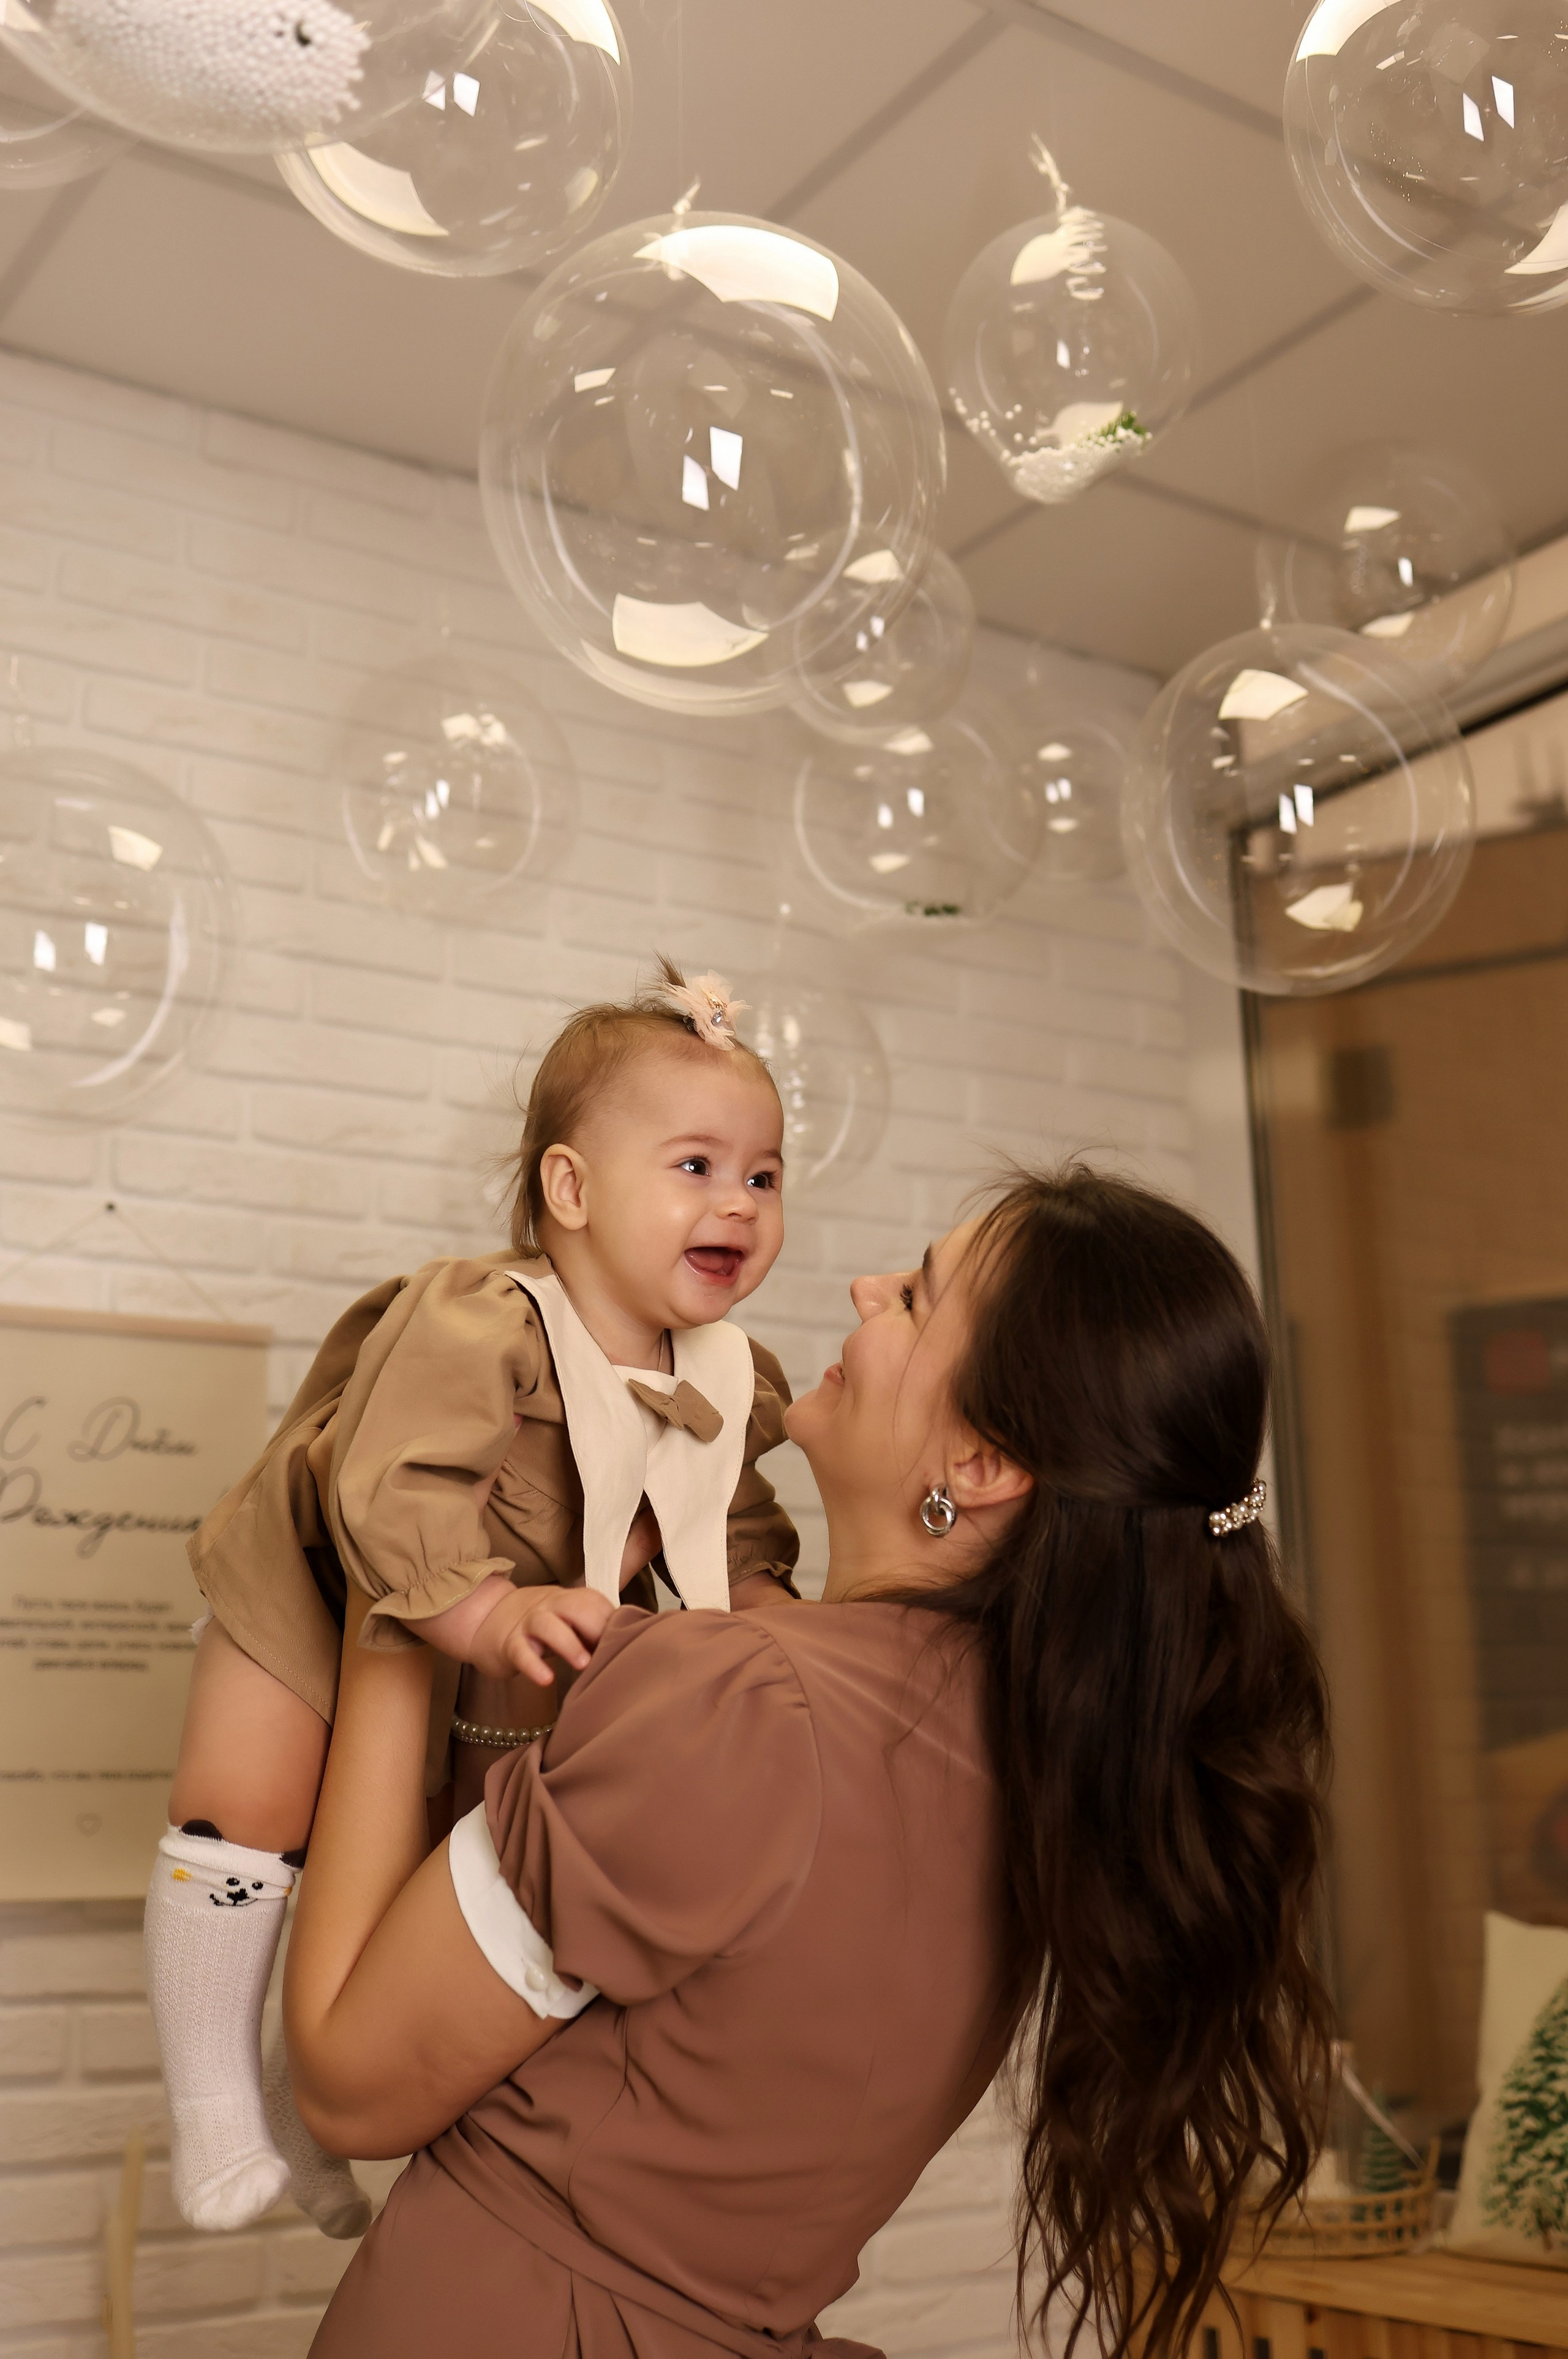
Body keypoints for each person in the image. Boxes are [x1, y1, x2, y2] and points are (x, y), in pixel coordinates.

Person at [285, 1164, 1333, 2359]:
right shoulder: (1041, 1762)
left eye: (916, 1301)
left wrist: (398, 1580)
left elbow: (347, 2082)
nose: (861, 1287)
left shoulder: (750, 1710)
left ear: (981, 1463)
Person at [145, 963, 800, 2235]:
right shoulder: (483, 1319)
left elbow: (732, 1534)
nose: (738, 1203)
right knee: (249, 1807)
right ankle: (212, 2097)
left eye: (763, 1177)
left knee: (392, 1881)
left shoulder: (727, 1373)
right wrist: (492, 1618)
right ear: (569, 1189)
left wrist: (782, 1637)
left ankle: (301, 2106)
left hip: (477, 1649)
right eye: (695, 1168)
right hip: (326, 1581)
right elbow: (390, 1495)